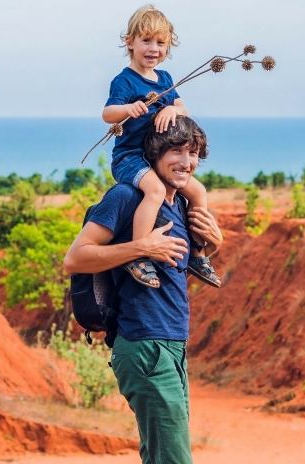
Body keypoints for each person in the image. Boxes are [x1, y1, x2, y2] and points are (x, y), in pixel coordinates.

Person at [64, 116, 222, 464]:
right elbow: (76, 257)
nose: (186, 161)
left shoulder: (178, 203)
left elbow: (181, 268)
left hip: (169, 347)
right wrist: (140, 246)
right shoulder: (127, 198)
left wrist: (212, 240)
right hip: (145, 346)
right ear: (153, 153)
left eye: (193, 153)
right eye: (176, 151)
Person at [103, 4, 222, 290]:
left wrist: (173, 111)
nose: (153, 48)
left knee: (198, 191)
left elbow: (181, 105)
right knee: (155, 190)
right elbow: (107, 114)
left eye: (161, 43)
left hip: (155, 158)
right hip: (131, 157)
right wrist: (128, 108)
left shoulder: (166, 79)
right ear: (129, 42)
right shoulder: (125, 80)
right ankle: (139, 252)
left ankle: (198, 252)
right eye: (146, 41)